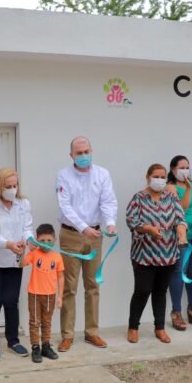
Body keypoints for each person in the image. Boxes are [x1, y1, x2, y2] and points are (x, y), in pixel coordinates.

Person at [55, 136, 118, 351]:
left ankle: (92, 332)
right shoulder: (63, 175)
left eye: (86, 152)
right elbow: (65, 206)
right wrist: (83, 228)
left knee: (93, 285)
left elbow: (108, 201)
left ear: (92, 151)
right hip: (71, 234)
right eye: (79, 153)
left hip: (95, 235)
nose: (83, 156)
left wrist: (110, 223)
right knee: (69, 287)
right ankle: (67, 335)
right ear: (71, 155)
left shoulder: (102, 174)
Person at [125, 164, 188, 344]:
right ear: (148, 177)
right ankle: (133, 327)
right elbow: (131, 221)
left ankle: (159, 328)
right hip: (144, 255)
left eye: (162, 177)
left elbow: (180, 218)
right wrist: (148, 229)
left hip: (168, 255)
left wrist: (182, 234)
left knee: (160, 292)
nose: (159, 180)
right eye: (156, 176)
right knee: (142, 291)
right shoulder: (139, 198)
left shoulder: (171, 197)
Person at [0, 168, 33, 361]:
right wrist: (8, 244)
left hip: (14, 260)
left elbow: (27, 228)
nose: (12, 189)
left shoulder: (23, 203)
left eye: (15, 185)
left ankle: (13, 340)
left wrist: (30, 240)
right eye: (8, 186)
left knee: (11, 301)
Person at [166, 155, 192, 330]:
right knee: (178, 273)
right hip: (180, 238)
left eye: (187, 167)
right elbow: (182, 206)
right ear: (173, 169)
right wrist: (189, 188)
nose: (185, 170)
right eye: (181, 167)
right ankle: (176, 312)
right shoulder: (170, 187)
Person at [21, 224, 65, 363]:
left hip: (50, 295)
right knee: (34, 322)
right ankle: (35, 348)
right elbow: (22, 263)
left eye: (49, 240)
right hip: (34, 294)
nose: (46, 243)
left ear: (55, 239)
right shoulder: (34, 253)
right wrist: (22, 250)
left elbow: (60, 277)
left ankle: (46, 346)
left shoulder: (57, 256)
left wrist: (60, 297)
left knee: (47, 321)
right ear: (37, 240)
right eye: (42, 240)